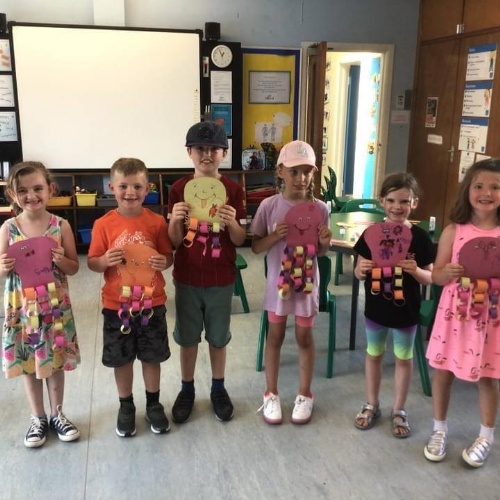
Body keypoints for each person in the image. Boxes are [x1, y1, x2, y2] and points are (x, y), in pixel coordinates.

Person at [87, 158, 173, 437]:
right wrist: (104, 260)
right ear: (111, 187)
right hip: (117, 306)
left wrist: (163, 261)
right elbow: (92, 262)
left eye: (137, 186)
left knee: (151, 356)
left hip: (151, 303)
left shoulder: (156, 222)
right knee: (121, 359)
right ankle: (126, 406)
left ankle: (153, 404)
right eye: (123, 186)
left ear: (148, 188)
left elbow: (167, 256)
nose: (130, 192)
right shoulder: (103, 224)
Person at [167, 121, 246, 423]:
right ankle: (187, 388)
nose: (207, 154)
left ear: (224, 153)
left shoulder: (233, 190)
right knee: (187, 338)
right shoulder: (179, 189)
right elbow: (174, 242)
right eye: (200, 148)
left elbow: (239, 240)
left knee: (218, 337)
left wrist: (232, 222)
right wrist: (174, 220)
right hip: (187, 277)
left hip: (220, 278)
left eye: (214, 149)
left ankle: (218, 387)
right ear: (189, 152)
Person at [424, 158, 500, 467]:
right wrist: (446, 273)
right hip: (455, 317)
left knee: (489, 376)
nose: (486, 193)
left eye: (495, 187)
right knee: (443, 372)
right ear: (467, 190)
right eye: (479, 186)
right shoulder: (453, 231)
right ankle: (439, 429)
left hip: (492, 319)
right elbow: (436, 275)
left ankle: (486, 436)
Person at [251, 140, 332, 425]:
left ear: (313, 173)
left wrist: (324, 242)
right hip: (279, 286)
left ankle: (305, 394)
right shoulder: (269, 206)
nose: (301, 178)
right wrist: (275, 235)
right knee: (274, 337)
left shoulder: (320, 209)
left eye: (307, 172)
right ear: (280, 172)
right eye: (294, 171)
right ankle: (270, 393)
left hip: (306, 286)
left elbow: (320, 252)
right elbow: (256, 247)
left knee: (304, 338)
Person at [0, 161, 80, 447]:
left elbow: (74, 267)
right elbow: (1, 271)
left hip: (54, 309)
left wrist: (61, 260)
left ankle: (57, 414)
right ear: (12, 194)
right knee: (28, 362)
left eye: (37, 188)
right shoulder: (8, 228)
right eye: (22, 190)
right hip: (22, 310)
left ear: (51, 189)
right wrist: (3, 266)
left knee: (54, 359)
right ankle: (38, 417)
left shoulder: (61, 226)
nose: (31, 196)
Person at [353, 173, 434, 438]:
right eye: (391, 200)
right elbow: (358, 272)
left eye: (404, 201)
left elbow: (430, 276)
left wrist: (415, 271)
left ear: (414, 203)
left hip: (406, 311)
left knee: (403, 358)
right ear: (381, 201)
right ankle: (371, 403)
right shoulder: (371, 234)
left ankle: (399, 409)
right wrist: (362, 269)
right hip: (376, 309)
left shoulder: (420, 238)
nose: (397, 207)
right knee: (374, 355)